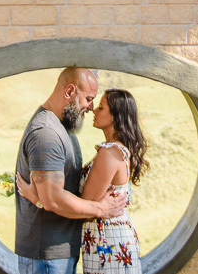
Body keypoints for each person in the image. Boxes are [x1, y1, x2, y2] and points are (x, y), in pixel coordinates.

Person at [17, 87, 148, 274]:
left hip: (107, 244)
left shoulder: (109, 154)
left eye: (101, 107)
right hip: (108, 240)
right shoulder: (116, 150)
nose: (94, 110)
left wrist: (40, 198)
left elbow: (86, 209)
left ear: (115, 116)